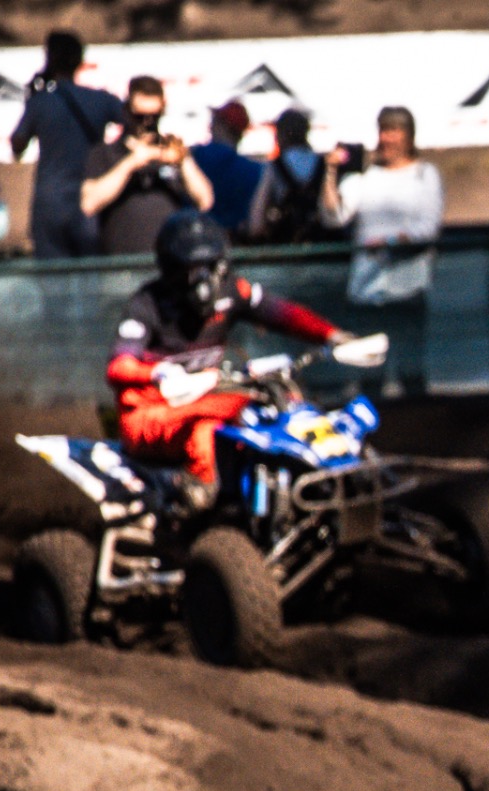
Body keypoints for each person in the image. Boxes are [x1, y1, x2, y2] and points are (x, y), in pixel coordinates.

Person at [107, 211, 353, 508]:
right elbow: (119, 366)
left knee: (277, 408)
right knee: (207, 430)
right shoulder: (147, 304)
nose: (202, 281)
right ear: (170, 269)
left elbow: (282, 313)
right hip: (152, 411)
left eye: (209, 267)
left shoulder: (233, 290)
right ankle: (199, 503)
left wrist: (332, 335)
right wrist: (158, 372)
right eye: (189, 270)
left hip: (209, 399)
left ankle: (313, 485)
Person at [321, 106, 442, 397]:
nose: (387, 138)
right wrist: (331, 171)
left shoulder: (424, 175)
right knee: (370, 374)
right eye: (383, 130)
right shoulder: (366, 177)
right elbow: (334, 216)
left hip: (407, 287)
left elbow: (427, 228)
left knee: (411, 372)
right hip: (368, 290)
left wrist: (389, 242)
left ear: (408, 136)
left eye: (394, 130)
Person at [9, 30, 125, 259]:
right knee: (90, 273)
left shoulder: (40, 102)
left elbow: (17, 145)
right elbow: (131, 119)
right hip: (89, 199)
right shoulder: (100, 100)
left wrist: (32, 98)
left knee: (52, 275)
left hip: (50, 203)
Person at [80, 75, 214, 255]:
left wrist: (184, 160)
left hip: (167, 259)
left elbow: (205, 200)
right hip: (122, 261)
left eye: (154, 116)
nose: (147, 123)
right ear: (127, 111)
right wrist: (131, 163)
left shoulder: (169, 151)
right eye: (140, 117)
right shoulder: (106, 153)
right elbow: (88, 204)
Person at [246, 108, 327, 245]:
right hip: (322, 244)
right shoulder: (324, 164)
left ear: (281, 134)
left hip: (287, 246)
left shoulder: (274, 166)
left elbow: (257, 219)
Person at [190, 100, 263, 238]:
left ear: (225, 126)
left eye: (216, 121)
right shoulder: (255, 169)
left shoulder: (197, 155)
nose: (210, 126)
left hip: (196, 236)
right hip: (235, 241)